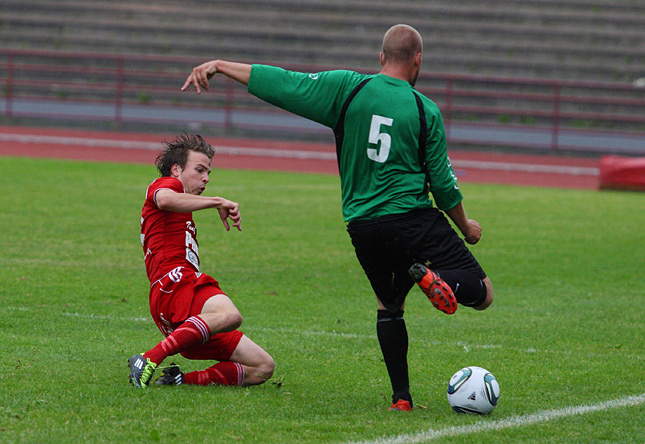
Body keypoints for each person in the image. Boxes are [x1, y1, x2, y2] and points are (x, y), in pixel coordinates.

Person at [181, 24, 493, 411]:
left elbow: (286, 84)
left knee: (389, 304)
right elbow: (443, 184)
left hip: (363, 226)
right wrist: (466, 227)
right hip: (411, 217)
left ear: (381, 58)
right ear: (417, 60)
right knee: (481, 293)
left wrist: (221, 66)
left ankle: (402, 399)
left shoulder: (349, 88)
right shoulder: (423, 108)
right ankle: (436, 278)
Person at [128, 133, 274, 389]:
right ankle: (148, 358)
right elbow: (164, 199)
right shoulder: (166, 184)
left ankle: (179, 379)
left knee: (262, 367)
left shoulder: (181, 202)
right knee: (229, 314)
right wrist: (218, 201)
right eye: (199, 170)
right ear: (176, 169)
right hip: (174, 282)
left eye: (208, 172)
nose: (205, 178)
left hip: (175, 296)